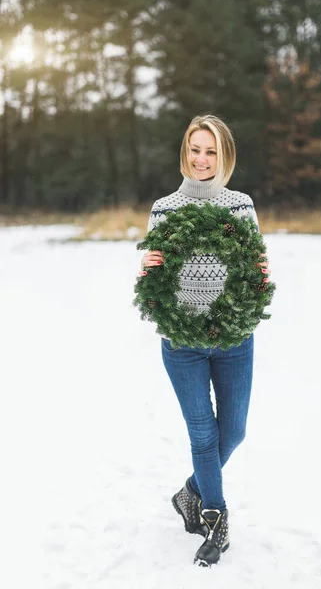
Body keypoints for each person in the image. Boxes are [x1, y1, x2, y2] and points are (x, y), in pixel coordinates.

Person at [138, 114, 270, 567]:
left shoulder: (240, 206)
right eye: (195, 149)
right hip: (182, 343)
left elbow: (254, 267)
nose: (201, 159)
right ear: (185, 151)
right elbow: (156, 272)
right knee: (202, 433)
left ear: (224, 155)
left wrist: (262, 276)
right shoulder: (164, 207)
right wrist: (145, 271)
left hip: (235, 338)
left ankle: (190, 492)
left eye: (211, 150)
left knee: (233, 431)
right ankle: (216, 519)